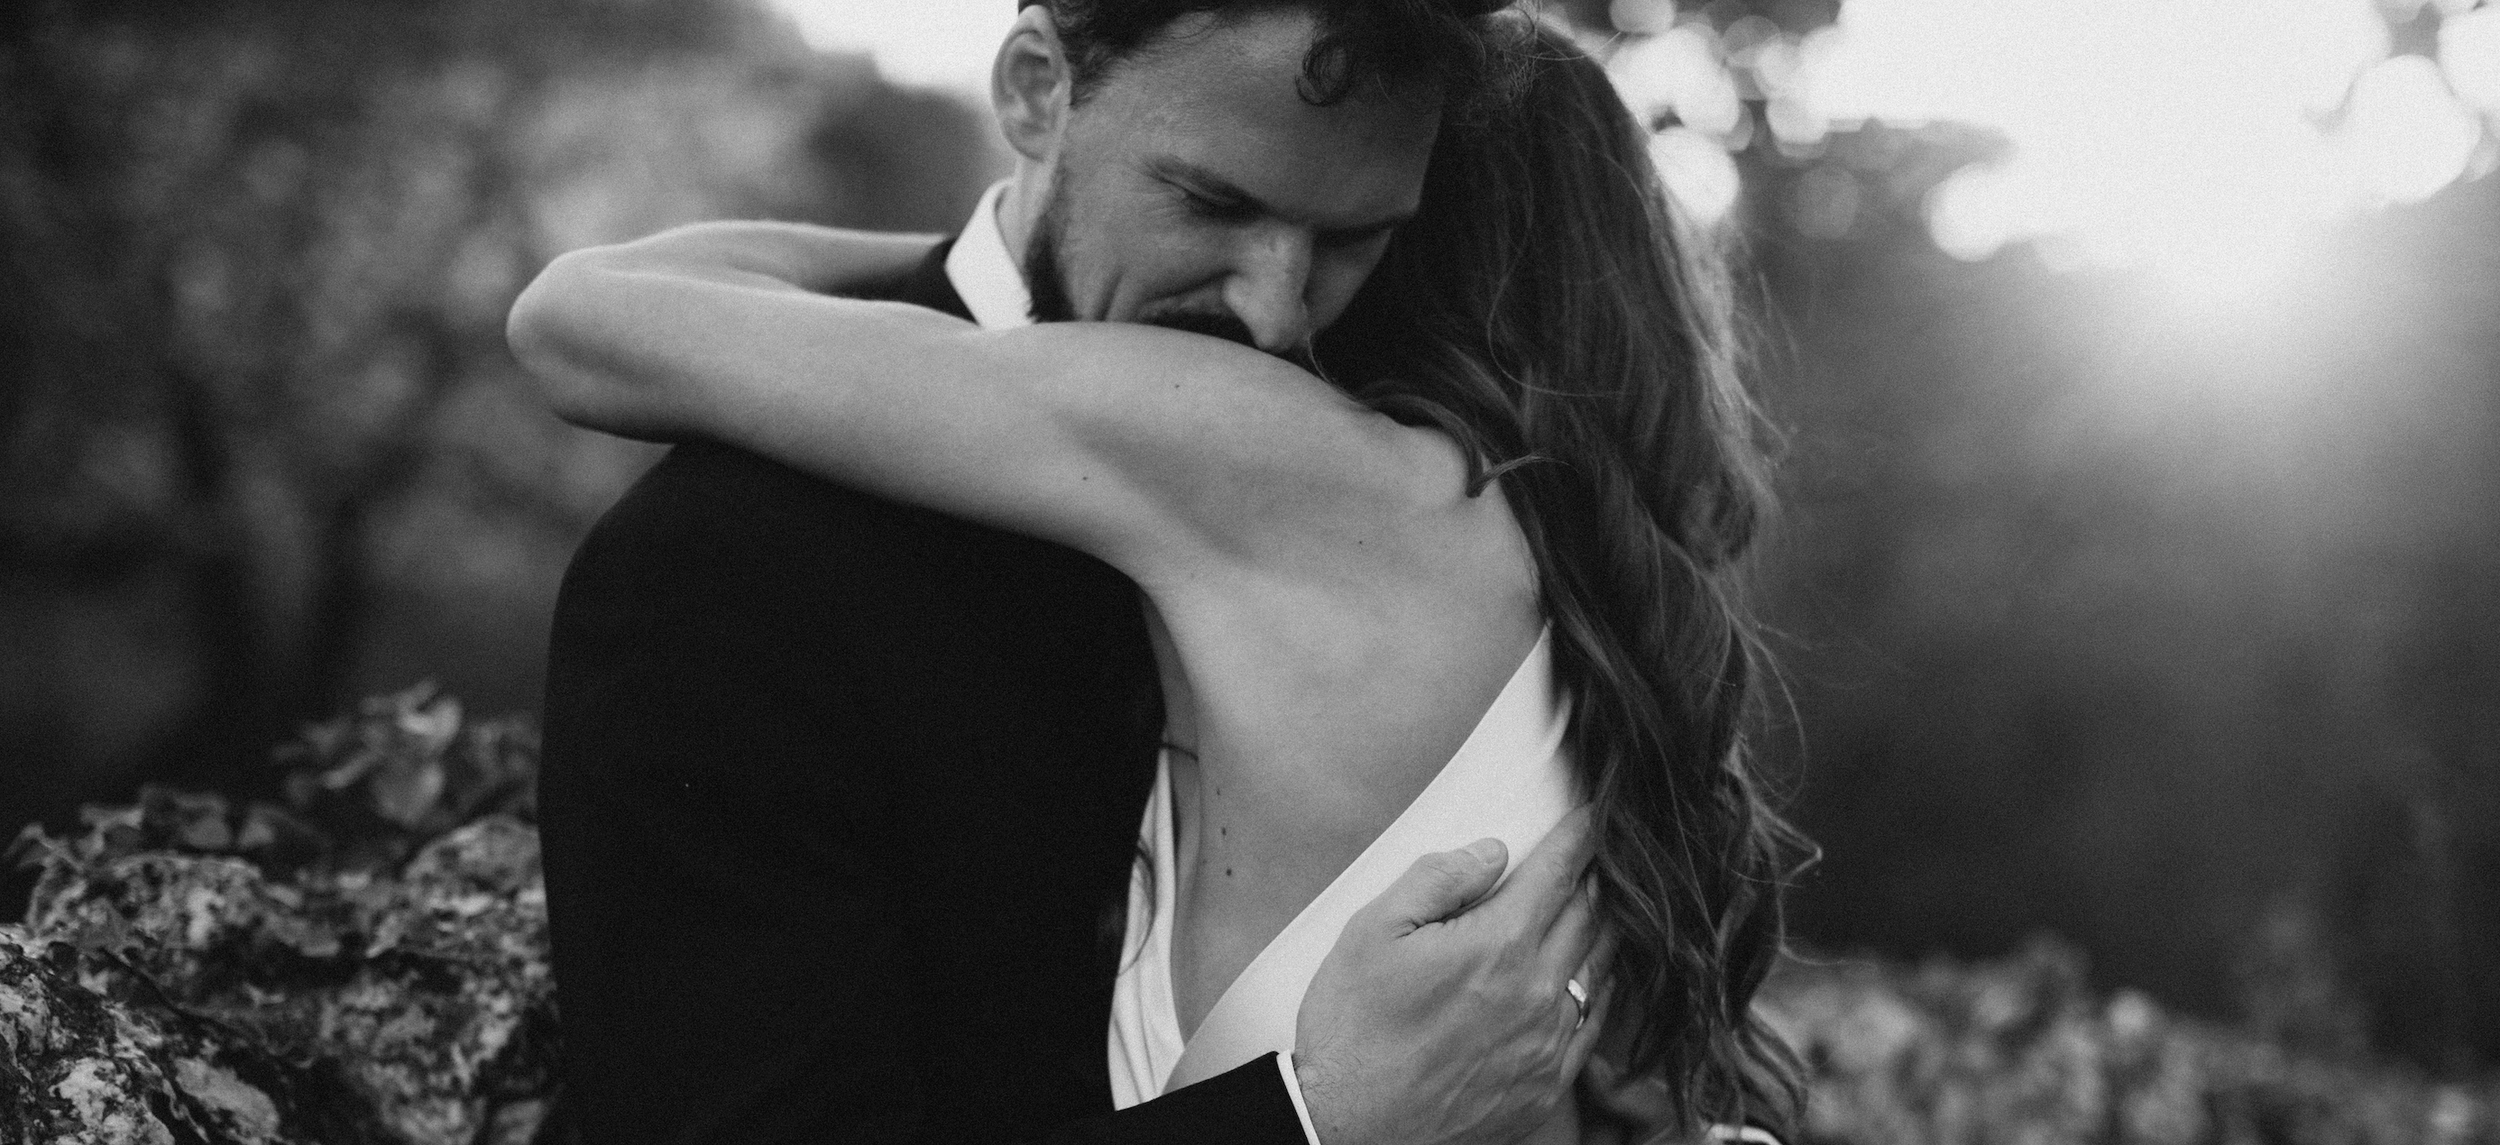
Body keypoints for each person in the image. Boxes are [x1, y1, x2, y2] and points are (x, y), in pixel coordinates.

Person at [515, 4, 1816, 1144]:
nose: (1275, 311)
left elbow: (583, 313)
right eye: (1213, 200)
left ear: (1427, 219)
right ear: (1032, 91)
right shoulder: (729, 566)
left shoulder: (1298, 475)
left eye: (1358, 235)